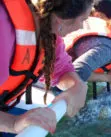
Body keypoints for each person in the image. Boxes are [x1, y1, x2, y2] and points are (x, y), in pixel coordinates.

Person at [0, 0, 93, 135]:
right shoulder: (3, 25)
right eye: (83, 20)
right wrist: (13, 123)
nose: (82, 27)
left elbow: (61, 70)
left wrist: (78, 85)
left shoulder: (49, 36)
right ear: (62, 19)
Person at [64, 13, 111, 95]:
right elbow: (77, 71)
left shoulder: (103, 29)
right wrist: (109, 77)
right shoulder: (109, 49)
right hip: (56, 76)